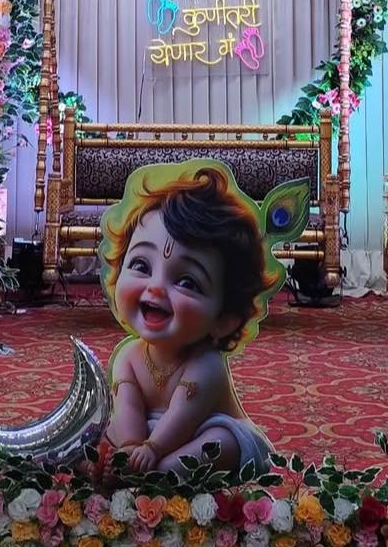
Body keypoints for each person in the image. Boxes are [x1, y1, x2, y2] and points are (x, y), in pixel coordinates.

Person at [99, 162, 307, 476]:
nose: (155, 287)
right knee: (100, 427)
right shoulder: (129, 356)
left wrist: (152, 449)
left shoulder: (207, 364)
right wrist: (129, 446)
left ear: (225, 318)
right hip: (143, 436)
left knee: (222, 442)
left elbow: (182, 416)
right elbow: (128, 406)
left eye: (187, 282)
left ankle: (161, 474)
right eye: (141, 265)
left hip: (196, 431)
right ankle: (135, 470)